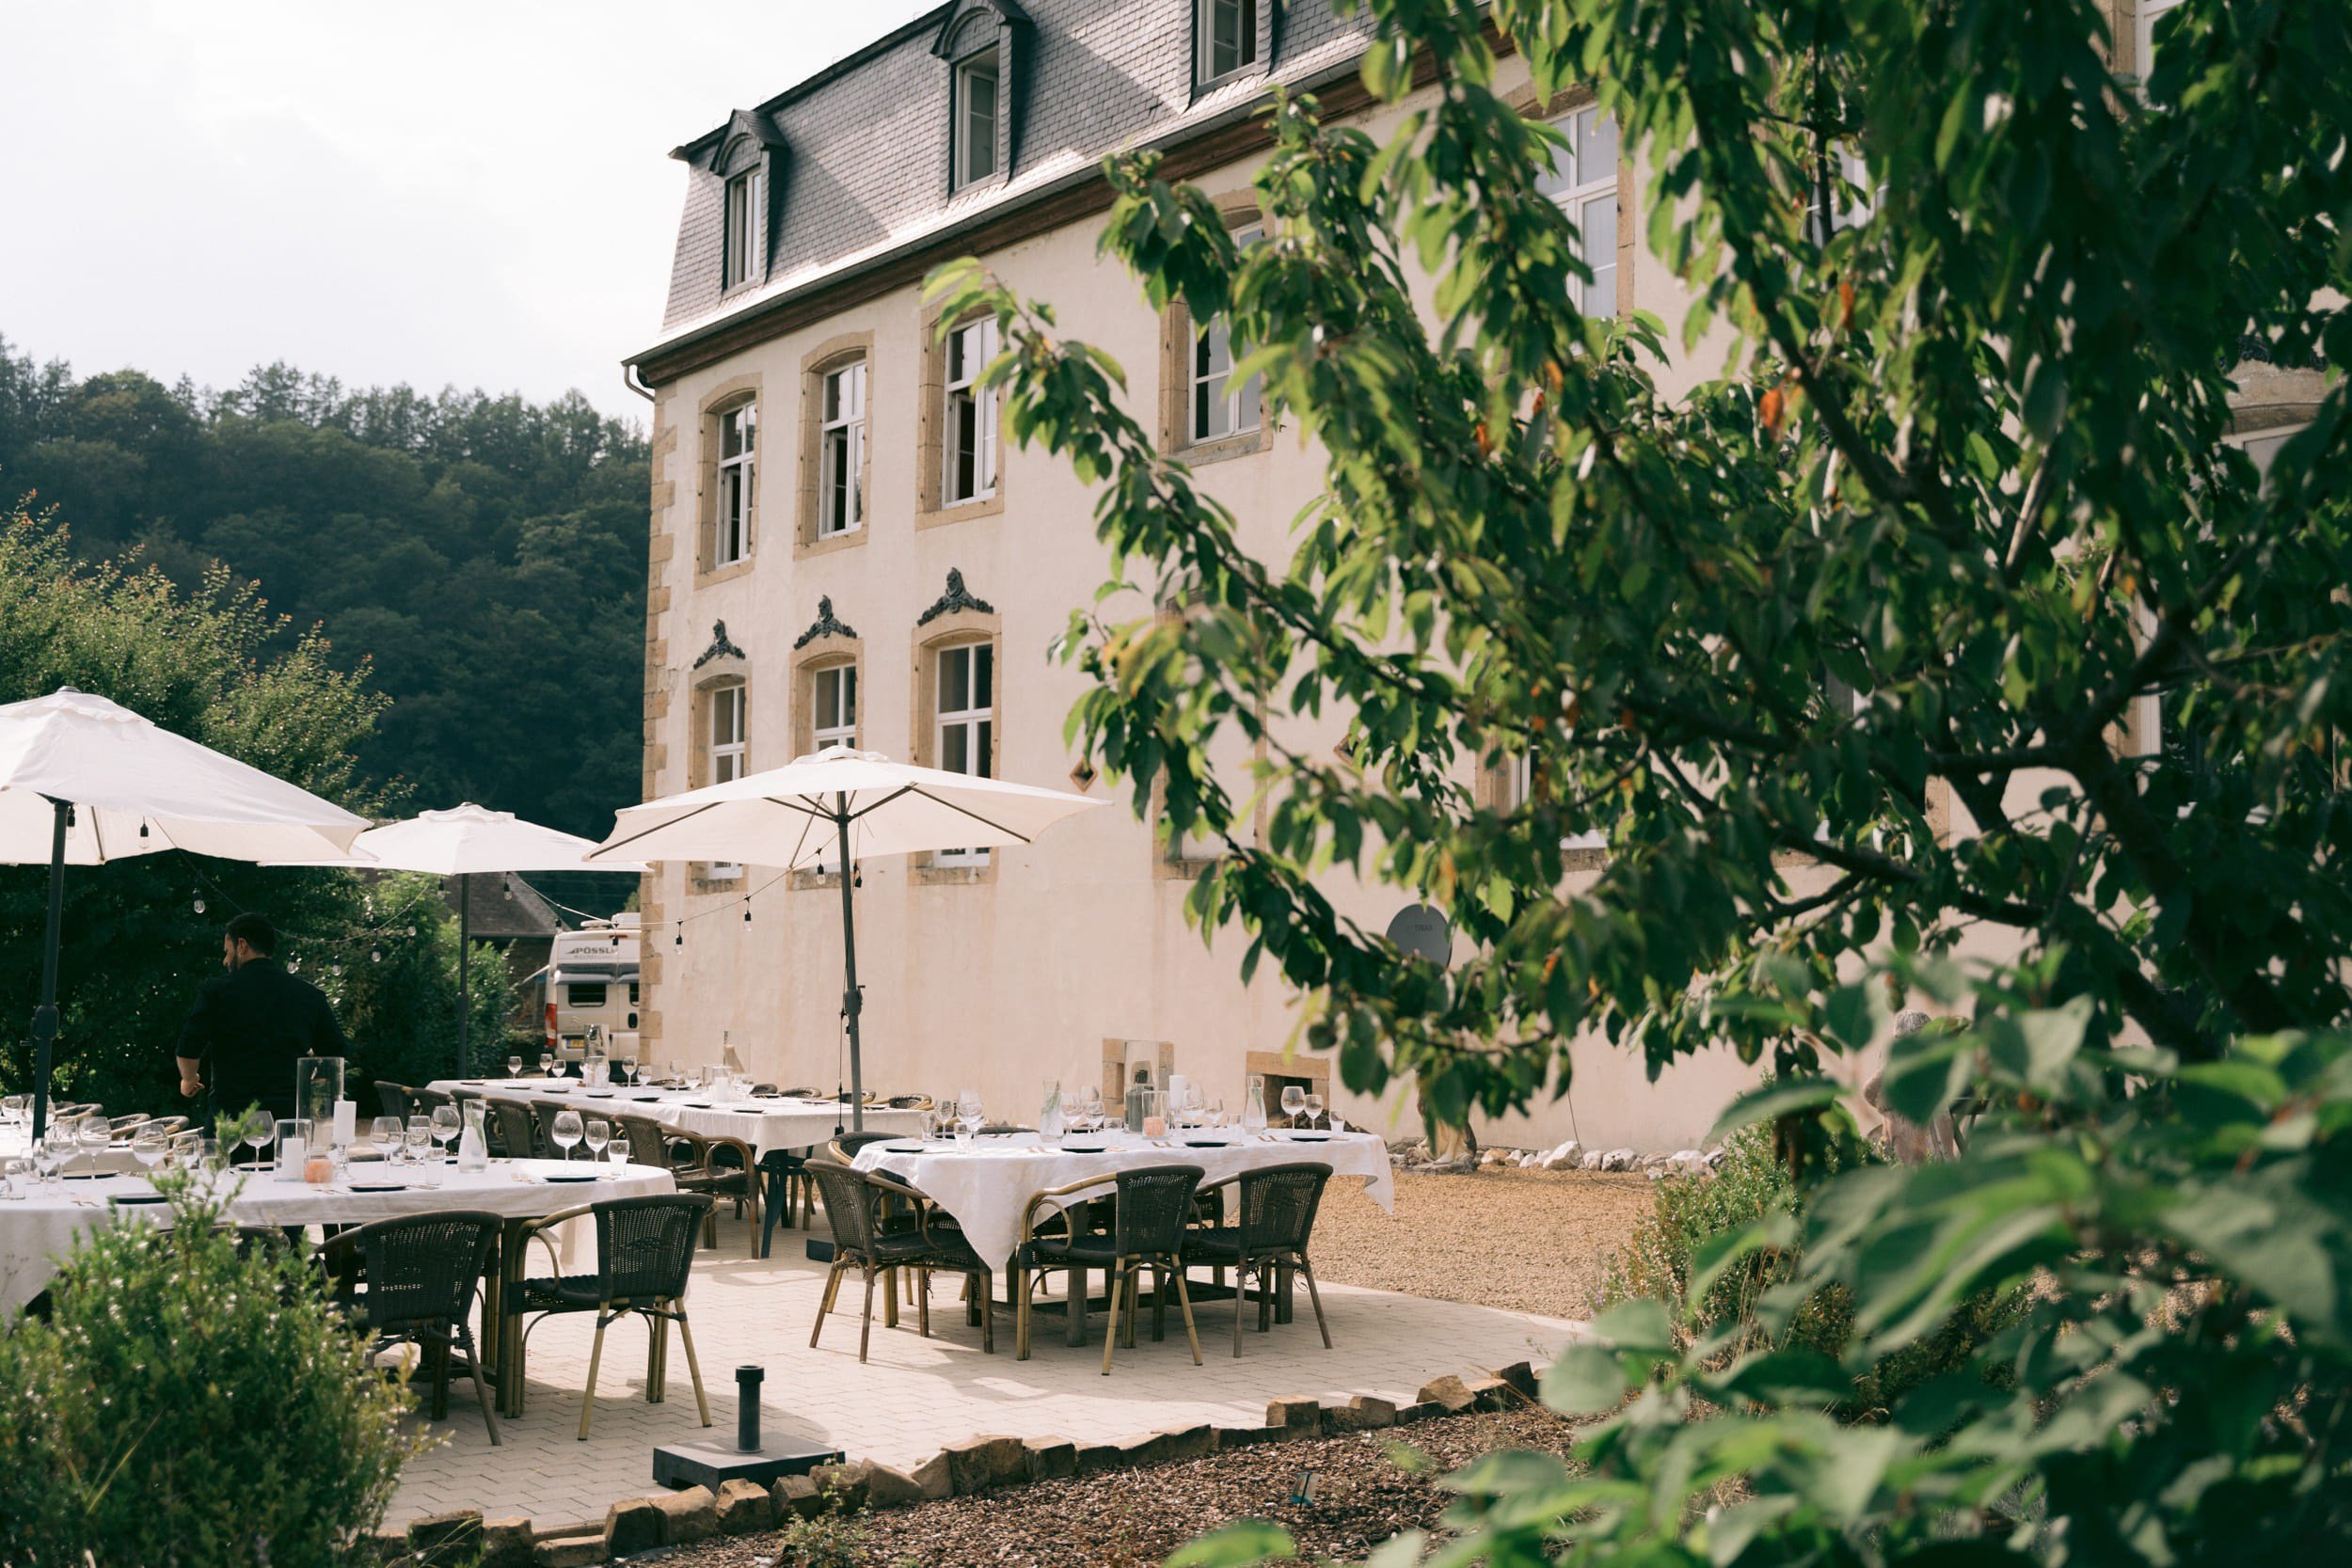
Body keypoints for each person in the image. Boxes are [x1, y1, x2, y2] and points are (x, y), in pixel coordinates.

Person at [175, 912, 349, 1123]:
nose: (225, 960)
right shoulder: (309, 995)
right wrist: (306, 1078)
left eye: (227, 951)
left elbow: (188, 1048)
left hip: (230, 1119)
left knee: (221, 1147)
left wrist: (188, 1079)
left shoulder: (216, 991)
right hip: (287, 1119)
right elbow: (336, 1052)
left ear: (242, 945)